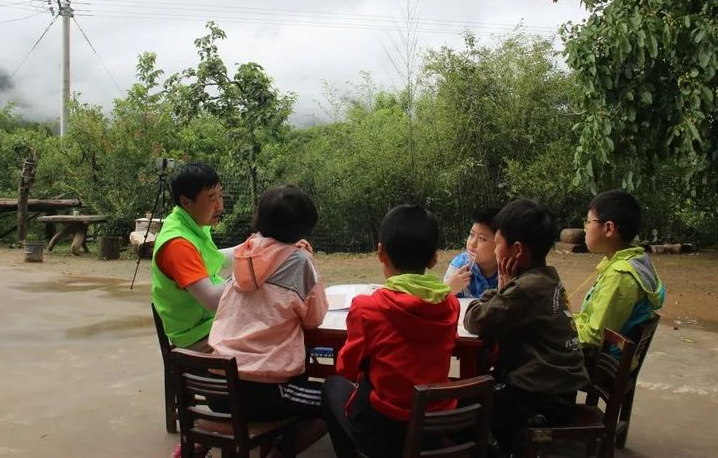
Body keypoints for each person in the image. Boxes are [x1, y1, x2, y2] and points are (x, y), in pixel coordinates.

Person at [322, 205, 459, 458]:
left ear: (380, 252)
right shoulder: (450, 305)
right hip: (432, 426)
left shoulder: (368, 307)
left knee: (332, 386)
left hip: (383, 429)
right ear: (434, 258)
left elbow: (346, 369)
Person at [207, 184, 329, 456]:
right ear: (301, 229)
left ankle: (207, 439)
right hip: (263, 391)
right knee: (338, 403)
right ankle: (279, 452)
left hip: (217, 387)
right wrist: (304, 255)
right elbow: (314, 319)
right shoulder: (299, 262)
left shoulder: (245, 255)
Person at [462, 199, 589, 456]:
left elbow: (476, 320)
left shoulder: (525, 289)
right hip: (559, 389)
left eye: (497, 243)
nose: (496, 251)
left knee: (468, 407)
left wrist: (500, 290)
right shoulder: (544, 278)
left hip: (542, 397)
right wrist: (503, 290)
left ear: (517, 250)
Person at [151, 162, 234, 351]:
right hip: (198, 335)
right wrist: (247, 274)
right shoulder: (178, 243)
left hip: (209, 323)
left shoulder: (189, 222)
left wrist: (258, 249)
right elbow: (212, 300)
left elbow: (210, 260)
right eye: (212, 199)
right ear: (186, 202)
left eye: (220, 195)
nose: (220, 206)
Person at [574, 190, 665, 361]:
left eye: (588, 221)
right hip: (612, 356)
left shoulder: (620, 275)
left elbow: (594, 336)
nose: (585, 227)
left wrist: (555, 330)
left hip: (602, 362)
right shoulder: (637, 260)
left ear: (608, 228)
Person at [443, 208, 500, 298]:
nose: (472, 243)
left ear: (499, 243)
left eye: (482, 238)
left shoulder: (507, 269)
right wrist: (449, 289)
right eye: (472, 234)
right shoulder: (459, 265)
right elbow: (440, 301)